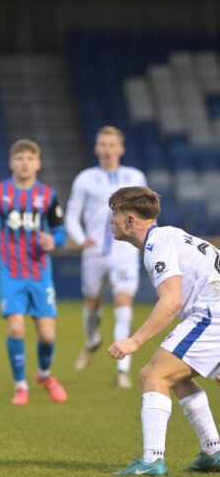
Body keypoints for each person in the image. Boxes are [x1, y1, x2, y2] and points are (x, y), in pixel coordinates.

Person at [107, 186, 220, 476]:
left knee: (153, 374)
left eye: (115, 215)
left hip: (213, 312)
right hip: (211, 311)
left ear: (130, 220)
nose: (111, 222)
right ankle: (213, 451)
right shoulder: (170, 236)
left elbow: (171, 300)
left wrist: (135, 340)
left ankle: (152, 460)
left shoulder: (158, 244)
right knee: (176, 376)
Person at [0, 139, 68, 405]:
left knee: (47, 335)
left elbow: (59, 233)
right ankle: (21, 385)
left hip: (39, 273)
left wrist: (52, 242)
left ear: (38, 163)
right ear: (12, 163)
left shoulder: (47, 195)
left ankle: (44, 375)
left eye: (29, 159)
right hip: (9, 273)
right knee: (16, 328)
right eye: (20, 158)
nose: (25, 163)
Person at [66, 126, 148, 389]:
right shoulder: (85, 178)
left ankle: (122, 369)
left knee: (123, 303)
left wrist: (144, 242)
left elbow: (146, 214)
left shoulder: (135, 176)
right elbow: (71, 215)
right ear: (96, 148)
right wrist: (81, 240)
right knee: (92, 305)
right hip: (94, 254)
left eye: (112, 144)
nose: (107, 149)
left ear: (121, 149)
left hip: (125, 252)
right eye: (103, 144)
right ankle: (91, 341)